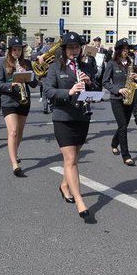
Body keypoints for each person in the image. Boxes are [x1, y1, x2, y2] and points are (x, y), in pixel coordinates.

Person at [43, 31, 99, 222]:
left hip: (82, 117)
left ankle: (64, 186)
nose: (74, 50)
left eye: (77, 47)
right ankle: (80, 201)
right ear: (64, 49)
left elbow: (97, 91)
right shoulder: (55, 68)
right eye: (70, 48)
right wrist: (70, 90)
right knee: (71, 159)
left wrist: (89, 83)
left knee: (73, 158)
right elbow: (48, 91)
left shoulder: (86, 66)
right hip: (63, 117)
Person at [0, 37, 38, 177]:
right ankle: (15, 164)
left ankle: (15, 152)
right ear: (9, 50)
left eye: (19, 49)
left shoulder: (26, 63)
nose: (17, 52)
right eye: (14, 49)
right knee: (12, 132)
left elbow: (34, 84)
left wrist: (28, 76)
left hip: (23, 101)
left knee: (19, 133)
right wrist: (10, 85)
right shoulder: (2, 62)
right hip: (9, 101)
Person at [103, 38, 137, 166]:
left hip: (129, 98)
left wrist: (136, 77)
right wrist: (118, 89)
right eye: (123, 49)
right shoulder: (112, 63)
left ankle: (114, 143)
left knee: (124, 125)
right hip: (116, 99)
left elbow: (136, 81)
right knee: (123, 125)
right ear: (118, 50)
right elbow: (105, 82)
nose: (126, 51)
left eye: (127, 49)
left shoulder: (130, 63)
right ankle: (126, 155)